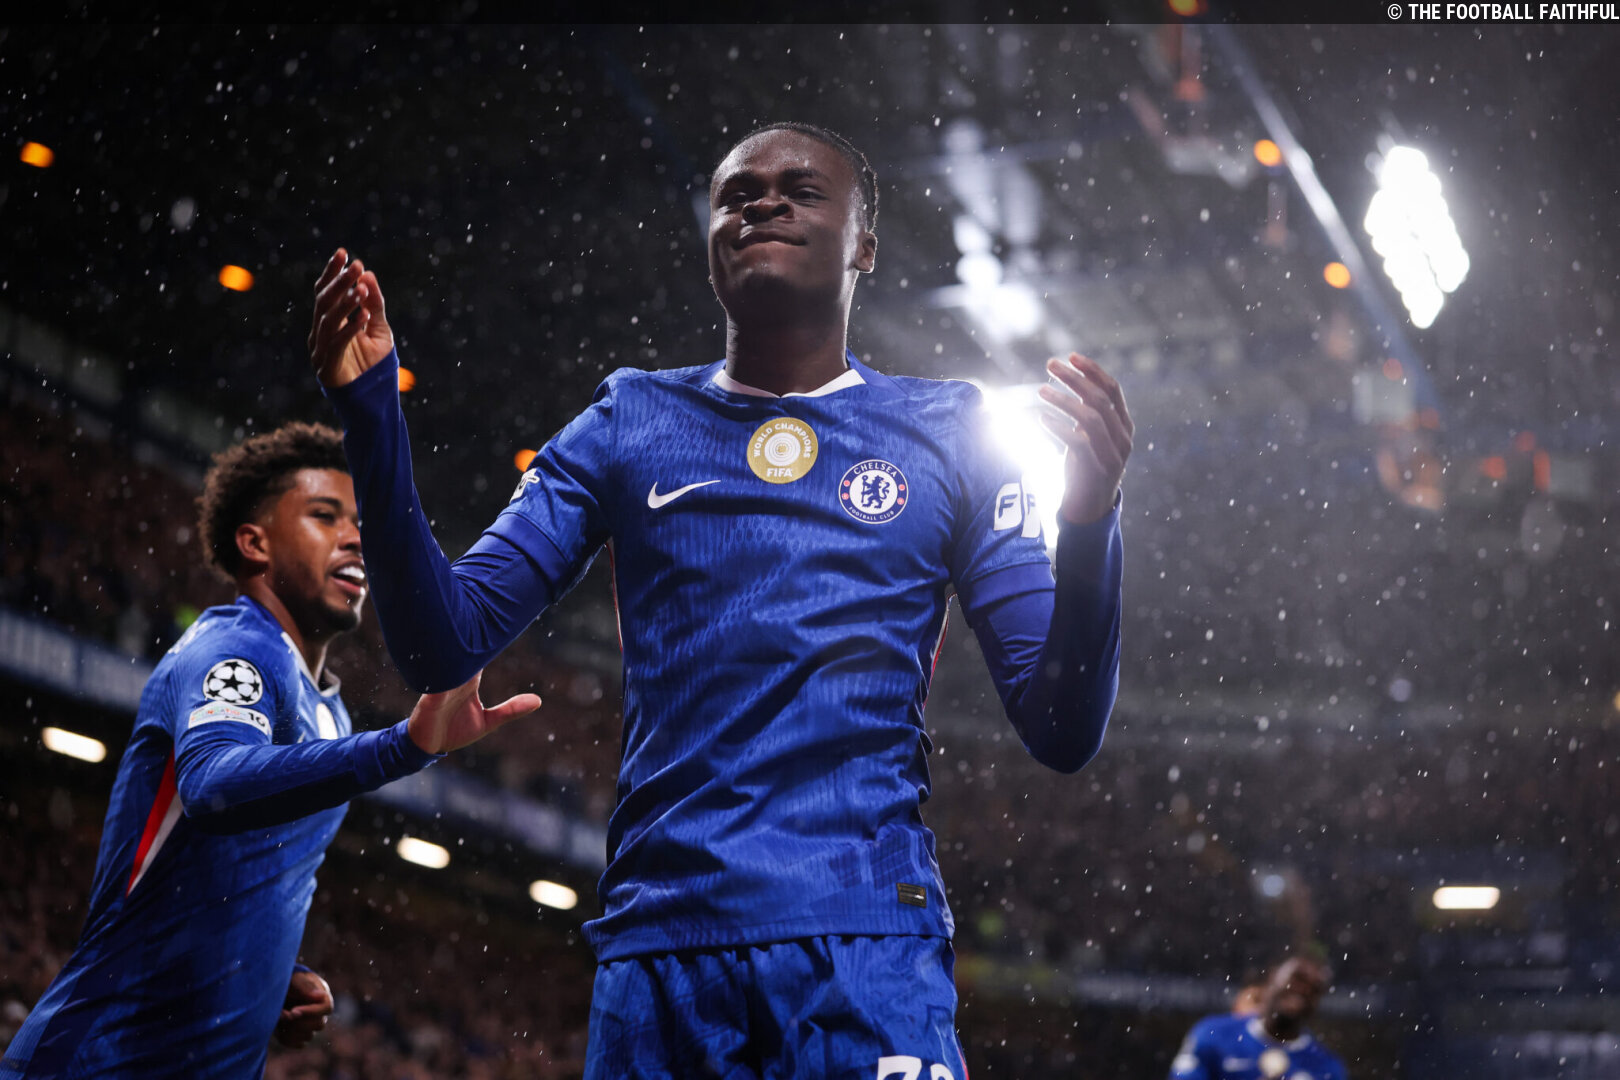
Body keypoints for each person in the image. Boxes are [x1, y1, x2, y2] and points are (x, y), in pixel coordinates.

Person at [308, 121, 1130, 1077]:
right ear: (708, 243)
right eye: (736, 195)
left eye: (801, 190)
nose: (763, 203)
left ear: (864, 245)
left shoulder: (953, 432)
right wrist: (373, 415)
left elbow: (1062, 727)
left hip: (865, 942)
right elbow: (442, 646)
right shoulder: (628, 419)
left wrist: (1089, 522)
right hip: (663, 952)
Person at [0, 423, 539, 1079]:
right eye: (325, 516)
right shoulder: (232, 648)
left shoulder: (332, 712)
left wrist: (270, 975)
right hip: (99, 1061)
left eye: (360, 520)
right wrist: (403, 747)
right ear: (255, 544)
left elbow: (245, 875)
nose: (356, 536)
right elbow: (212, 783)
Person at [1170, 956, 1347, 1080]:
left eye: (1314, 989)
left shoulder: (1326, 1067)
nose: (1302, 991)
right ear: (1273, 977)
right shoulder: (1213, 1035)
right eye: (1296, 979)